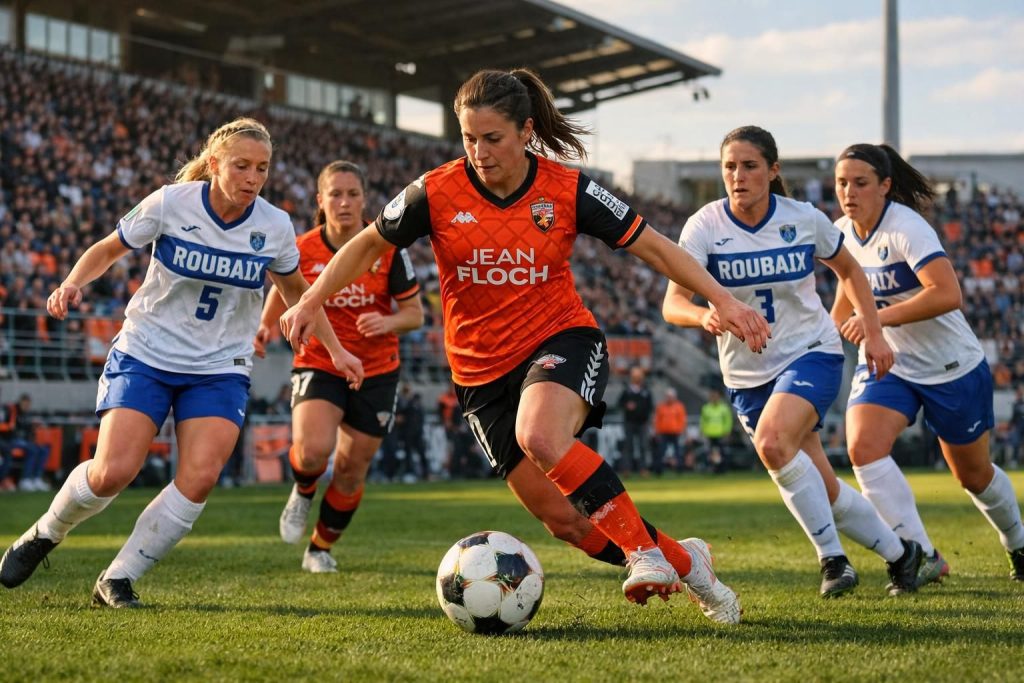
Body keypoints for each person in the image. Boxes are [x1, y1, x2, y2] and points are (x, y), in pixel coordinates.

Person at [279, 68, 774, 625]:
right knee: (569, 524)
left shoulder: (567, 189)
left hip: (560, 338)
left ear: (526, 132)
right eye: (469, 138)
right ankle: (690, 563)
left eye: (493, 138)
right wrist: (312, 298)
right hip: (478, 374)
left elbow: (655, 248)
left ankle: (643, 553)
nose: (479, 152)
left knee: (539, 434)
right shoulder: (436, 191)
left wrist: (723, 300)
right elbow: (368, 244)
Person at [0, 118, 362, 606]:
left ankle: (118, 577)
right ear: (214, 164)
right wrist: (71, 282)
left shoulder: (274, 226)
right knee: (113, 472)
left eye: (262, 168)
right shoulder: (171, 202)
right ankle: (46, 531)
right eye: (241, 166)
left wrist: (337, 350)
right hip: (147, 351)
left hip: (220, 365)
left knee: (200, 476)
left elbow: (299, 292)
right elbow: (110, 247)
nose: (252, 177)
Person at [663, 125, 922, 598]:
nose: (738, 176)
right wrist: (704, 316)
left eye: (749, 166)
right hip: (747, 376)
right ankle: (904, 555)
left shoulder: (802, 217)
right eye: (729, 167)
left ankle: (834, 561)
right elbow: (672, 303)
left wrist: (875, 330)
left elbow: (850, 271)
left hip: (811, 353)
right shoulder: (704, 226)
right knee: (822, 486)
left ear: (772, 170)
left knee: (773, 442)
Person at [831, 142, 1024, 584]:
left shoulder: (907, 227)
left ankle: (1017, 541)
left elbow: (947, 293)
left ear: (885, 185)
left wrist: (874, 320)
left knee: (973, 476)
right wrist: (820, 334)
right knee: (863, 448)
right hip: (890, 365)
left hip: (950, 366)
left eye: (860, 183)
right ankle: (922, 556)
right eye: (841, 183)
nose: (848, 192)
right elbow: (846, 297)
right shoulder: (841, 232)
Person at [256, 159, 423, 574]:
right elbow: (285, 288)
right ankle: (303, 488)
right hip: (319, 361)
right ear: (320, 200)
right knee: (313, 452)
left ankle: (319, 548)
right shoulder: (303, 247)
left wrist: (388, 321)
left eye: (352, 194)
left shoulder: (385, 248)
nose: (344, 202)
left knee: (350, 470)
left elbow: (415, 314)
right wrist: (262, 325)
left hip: (377, 370)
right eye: (336, 194)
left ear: (365, 200)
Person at [7, 394, 50, 492]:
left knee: (43, 449)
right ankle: (25, 479)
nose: (27, 406)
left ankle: (36, 478)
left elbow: (28, 432)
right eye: (25, 404)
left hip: (24, 442)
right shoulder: (13, 412)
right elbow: (12, 429)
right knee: (32, 449)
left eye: (28, 405)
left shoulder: (27, 415)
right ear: (21, 402)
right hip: (12, 440)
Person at [617, 366, 654, 475]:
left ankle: (643, 469)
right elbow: (619, 404)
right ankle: (627, 469)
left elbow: (650, 406)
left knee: (643, 446)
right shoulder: (627, 391)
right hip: (629, 422)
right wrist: (627, 406)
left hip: (643, 422)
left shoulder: (646, 391)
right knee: (628, 446)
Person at [653, 387, 686, 475]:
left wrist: (682, 430)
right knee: (661, 451)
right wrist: (657, 431)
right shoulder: (661, 407)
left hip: (676, 432)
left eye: (671, 396)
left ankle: (680, 469)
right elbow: (657, 420)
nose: (669, 398)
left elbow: (682, 419)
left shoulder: (679, 406)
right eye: (668, 396)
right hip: (664, 432)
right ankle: (658, 470)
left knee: (678, 452)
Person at [699, 388, 733, 473]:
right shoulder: (706, 408)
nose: (714, 398)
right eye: (712, 397)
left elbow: (728, 420)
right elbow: (703, 421)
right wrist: (702, 431)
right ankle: (713, 467)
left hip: (721, 433)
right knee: (711, 452)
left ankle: (722, 468)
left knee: (721, 452)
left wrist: (727, 431)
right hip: (710, 433)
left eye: (716, 396)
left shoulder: (723, 408)